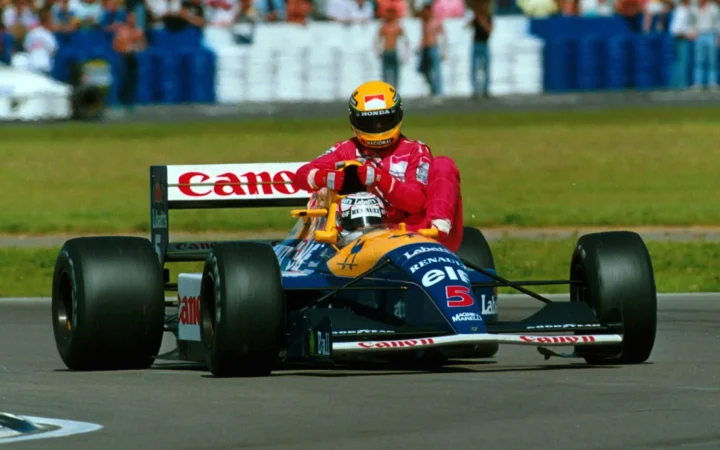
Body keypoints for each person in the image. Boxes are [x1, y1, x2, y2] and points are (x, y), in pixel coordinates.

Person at [292, 80, 463, 251]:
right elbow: (300, 176)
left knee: (444, 164)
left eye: (384, 119)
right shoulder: (346, 150)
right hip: (355, 235)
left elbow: (416, 202)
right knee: (326, 185)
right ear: (354, 121)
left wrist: (381, 179)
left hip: (414, 233)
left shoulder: (415, 150)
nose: (378, 127)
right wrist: (328, 178)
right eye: (369, 122)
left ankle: (439, 232)